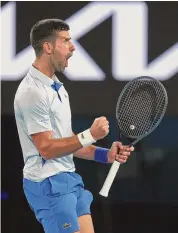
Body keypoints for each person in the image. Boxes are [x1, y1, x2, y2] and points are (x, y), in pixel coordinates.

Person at [14, 19, 134, 233]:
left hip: (68, 179)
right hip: (48, 185)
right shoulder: (32, 92)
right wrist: (90, 134)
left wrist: (105, 155)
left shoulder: (57, 88)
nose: (73, 47)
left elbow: (65, 140)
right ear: (48, 47)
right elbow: (47, 149)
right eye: (66, 41)